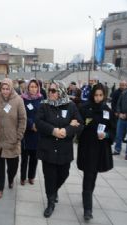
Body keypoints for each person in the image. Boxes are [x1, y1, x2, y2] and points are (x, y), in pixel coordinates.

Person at [35, 80, 83, 218]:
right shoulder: (44, 105)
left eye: (53, 90)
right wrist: (53, 130)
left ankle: (54, 190)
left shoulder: (71, 106)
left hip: (64, 149)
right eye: (49, 90)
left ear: (61, 91)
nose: (50, 93)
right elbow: (39, 122)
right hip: (47, 148)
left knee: (64, 174)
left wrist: (67, 130)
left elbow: (79, 124)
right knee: (49, 177)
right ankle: (50, 202)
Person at [77, 83, 115, 221]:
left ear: (104, 95)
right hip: (87, 148)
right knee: (88, 175)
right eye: (96, 95)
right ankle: (88, 209)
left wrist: (106, 135)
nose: (98, 98)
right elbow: (78, 124)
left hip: (100, 149)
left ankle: (86, 196)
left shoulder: (107, 111)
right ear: (92, 95)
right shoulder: (85, 108)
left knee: (92, 177)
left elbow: (113, 130)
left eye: (100, 95)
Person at [0, 78, 27, 199]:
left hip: (12, 139)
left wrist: (19, 136)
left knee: (13, 165)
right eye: (3, 88)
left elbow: (23, 119)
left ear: (11, 88)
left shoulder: (18, 100)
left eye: (7, 89)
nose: (4, 91)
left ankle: (10, 178)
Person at [20, 79, 43, 185]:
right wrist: (31, 124)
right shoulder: (23, 99)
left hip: (37, 132)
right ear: (28, 88)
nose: (33, 89)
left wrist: (37, 124)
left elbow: (43, 114)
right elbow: (22, 114)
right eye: (31, 87)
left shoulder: (41, 98)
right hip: (26, 132)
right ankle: (23, 177)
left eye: (35, 87)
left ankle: (31, 176)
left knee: (34, 157)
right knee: (24, 157)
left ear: (38, 88)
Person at [113, 82, 127, 160]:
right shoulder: (124, 93)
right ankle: (117, 149)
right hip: (121, 118)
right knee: (118, 135)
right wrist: (119, 113)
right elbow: (118, 104)